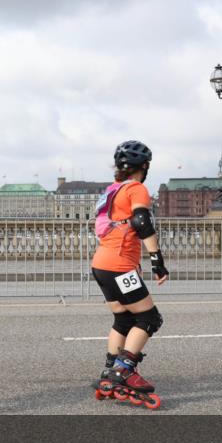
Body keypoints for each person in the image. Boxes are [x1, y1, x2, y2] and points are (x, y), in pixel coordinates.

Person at [90, 140, 169, 404]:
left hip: (101, 263)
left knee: (123, 320)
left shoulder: (113, 190)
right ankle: (122, 371)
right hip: (119, 265)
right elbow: (141, 221)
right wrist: (157, 260)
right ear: (144, 166)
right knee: (149, 318)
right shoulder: (136, 188)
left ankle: (109, 369)